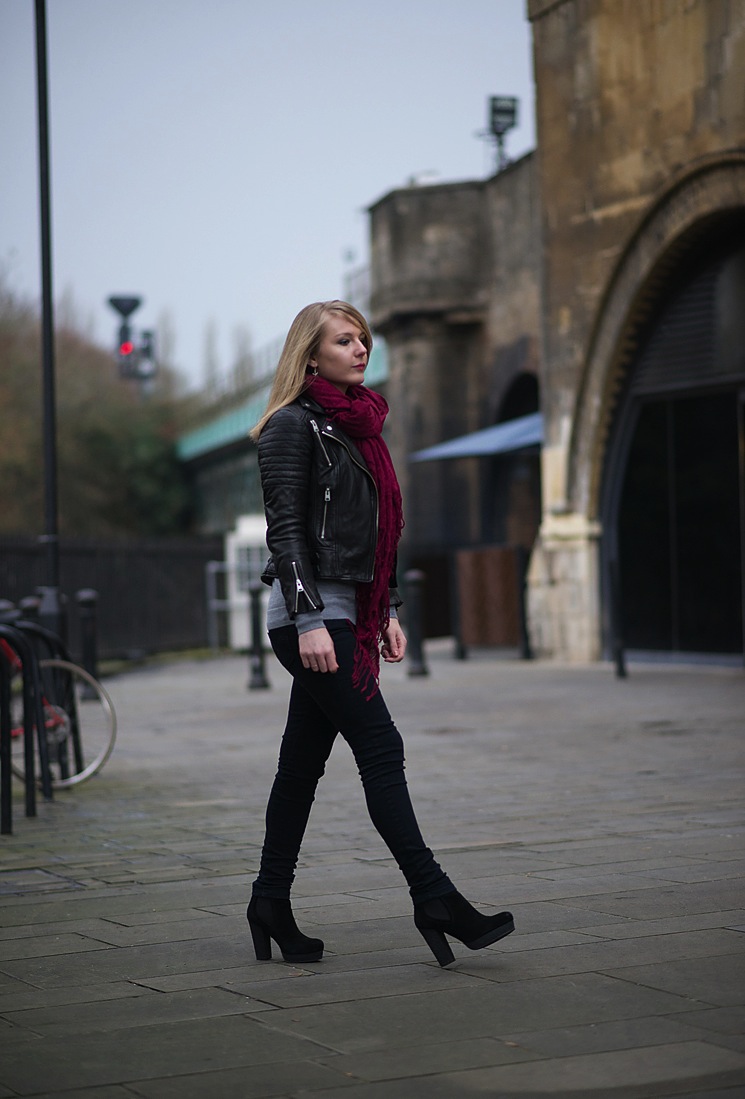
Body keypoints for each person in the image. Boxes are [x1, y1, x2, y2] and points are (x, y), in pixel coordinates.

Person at [247, 300, 514, 967]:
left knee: (301, 767)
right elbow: (286, 530)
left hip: (349, 612)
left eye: (363, 338)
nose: (361, 348)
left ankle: (268, 902)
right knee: (379, 743)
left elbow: (375, 530)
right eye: (344, 340)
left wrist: (387, 607)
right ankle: (434, 896)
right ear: (311, 355)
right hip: (311, 618)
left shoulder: (362, 425)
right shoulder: (290, 426)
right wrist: (309, 616)